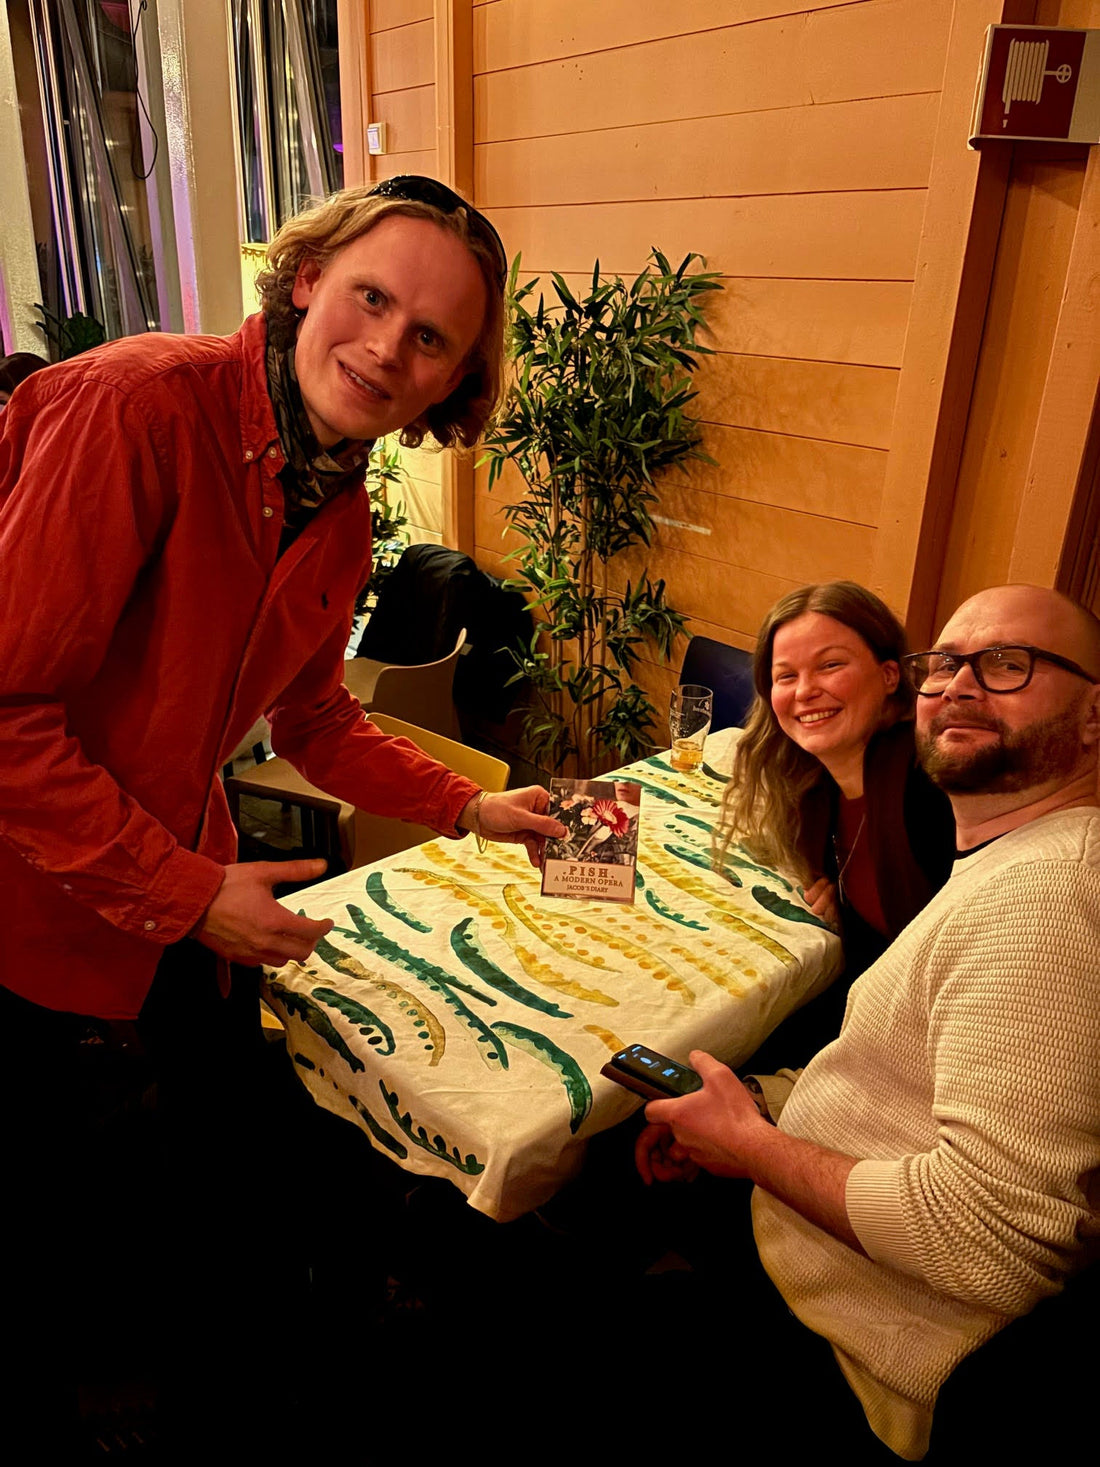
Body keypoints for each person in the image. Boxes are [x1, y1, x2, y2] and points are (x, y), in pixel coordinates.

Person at [0, 176, 565, 1451]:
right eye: (371, 298)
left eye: (430, 337)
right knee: (57, 1215)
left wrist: (471, 806)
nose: (386, 347)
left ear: (453, 380)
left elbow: (313, 719)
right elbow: (6, 713)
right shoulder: (137, 406)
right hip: (35, 895)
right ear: (306, 280)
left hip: (178, 879)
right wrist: (192, 893)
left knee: (222, 1165)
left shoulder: (341, 506)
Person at [637, 584, 1100, 1460]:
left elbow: (987, 1240)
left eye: (1010, 664)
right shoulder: (1005, 856)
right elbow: (908, 1068)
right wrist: (763, 1106)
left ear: (1094, 715)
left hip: (861, 1346)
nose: (960, 684)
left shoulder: (1048, 896)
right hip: (815, 1250)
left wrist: (753, 1145)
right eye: (946, 664)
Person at [715, 581, 954, 1057]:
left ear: (889, 674)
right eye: (786, 676)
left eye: (830, 665)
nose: (805, 691)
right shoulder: (815, 787)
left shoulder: (929, 790)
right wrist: (845, 896)